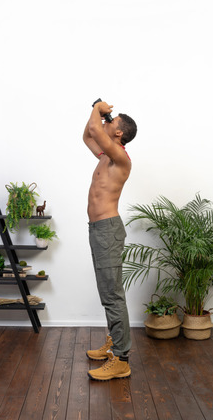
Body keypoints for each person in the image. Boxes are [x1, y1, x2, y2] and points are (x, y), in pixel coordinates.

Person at [83, 99, 137, 381]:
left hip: (107, 231)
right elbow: (87, 134)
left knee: (113, 295)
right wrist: (99, 113)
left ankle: (122, 359)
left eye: (111, 123)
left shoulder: (120, 158)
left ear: (119, 133)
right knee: (108, 294)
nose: (105, 123)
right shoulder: (106, 154)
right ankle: (113, 344)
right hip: (98, 230)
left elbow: (94, 125)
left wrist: (98, 108)